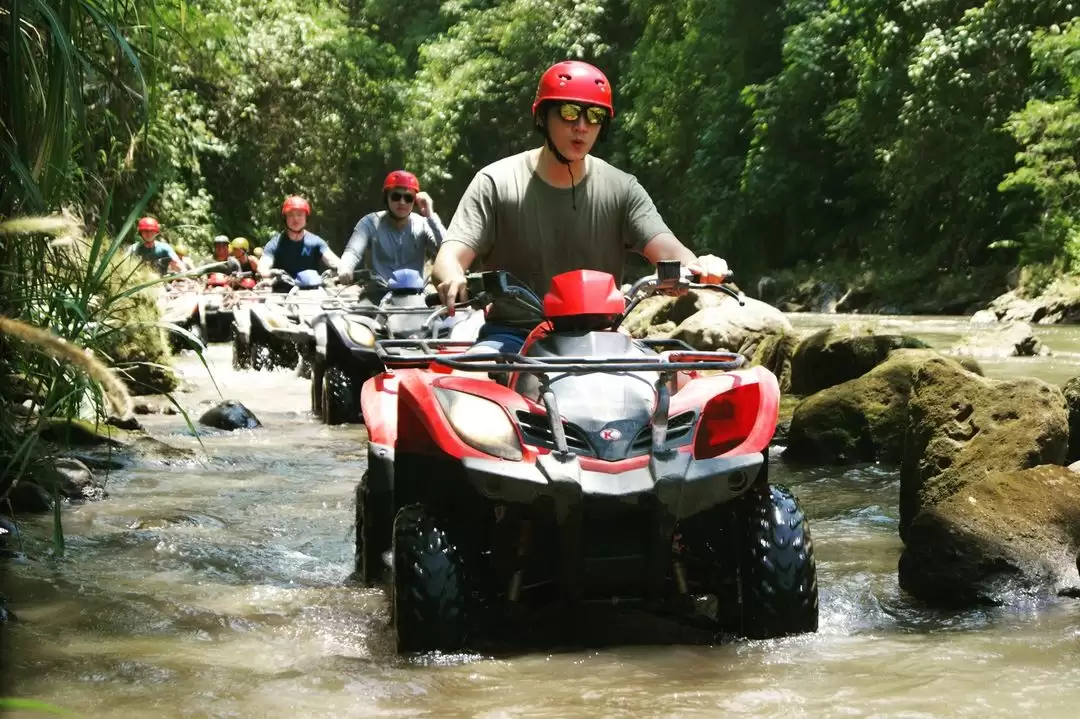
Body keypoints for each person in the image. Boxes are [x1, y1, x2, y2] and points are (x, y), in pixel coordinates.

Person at [433, 60, 729, 353]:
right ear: (543, 117)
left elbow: (668, 250)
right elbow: (449, 257)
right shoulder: (495, 182)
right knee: (467, 396)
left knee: (668, 388)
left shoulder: (622, 188)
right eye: (569, 112)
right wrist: (452, 277)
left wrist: (698, 266)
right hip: (512, 336)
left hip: (603, 336)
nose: (582, 126)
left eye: (595, 115)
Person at [337, 170, 445, 285]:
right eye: (396, 196)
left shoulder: (423, 224)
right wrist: (345, 268)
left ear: (414, 201)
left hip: (415, 295)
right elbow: (353, 252)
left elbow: (447, 249)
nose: (402, 202)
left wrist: (430, 215)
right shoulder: (369, 223)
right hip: (377, 294)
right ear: (386, 198)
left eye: (408, 198)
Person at [257, 196, 340, 290]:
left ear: (306, 218)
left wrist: (343, 268)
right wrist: (265, 271)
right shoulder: (275, 243)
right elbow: (264, 263)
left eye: (299, 214)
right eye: (291, 215)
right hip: (281, 297)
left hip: (313, 293)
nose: (295, 219)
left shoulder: (316, 242)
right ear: (285, 218)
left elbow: (331, 259)